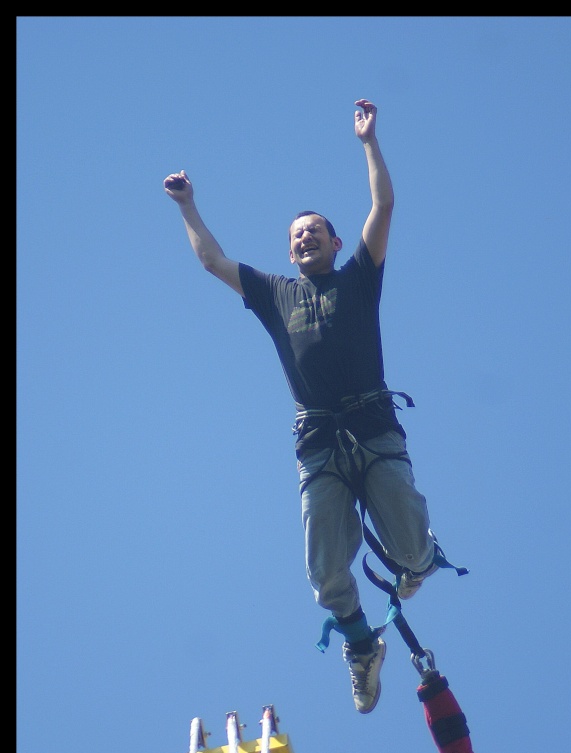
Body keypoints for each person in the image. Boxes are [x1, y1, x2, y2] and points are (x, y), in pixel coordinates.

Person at [163, 100, 447, 716]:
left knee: (411, 546)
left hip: (374, 430)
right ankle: (360, 644)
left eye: (314, 230)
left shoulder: (359, 276)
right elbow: (212, 260)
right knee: (325, 577)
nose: (304, 237)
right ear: (290, 252)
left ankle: (418, 561)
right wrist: (187, 205)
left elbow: (384, 207)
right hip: (319, 444)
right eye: (296, 235)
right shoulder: (274, 294)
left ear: (334, 241)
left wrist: (369, 143)